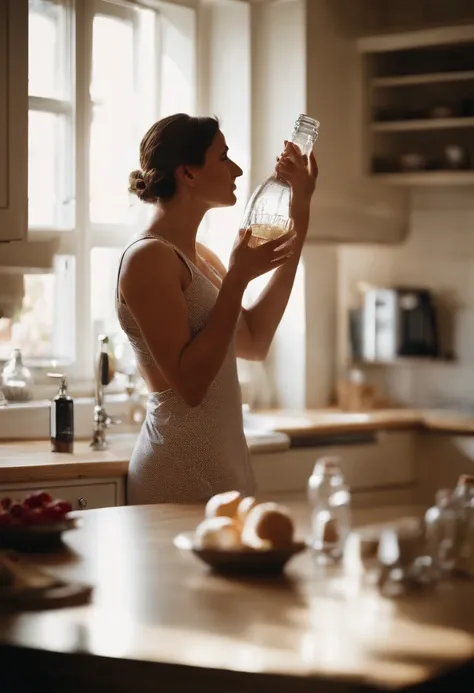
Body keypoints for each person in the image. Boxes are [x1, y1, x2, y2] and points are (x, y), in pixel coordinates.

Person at [117, 113, 318, 504]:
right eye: (224, 157)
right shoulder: (148, 258)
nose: (237, 169)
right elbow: (191, 386)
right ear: (187, 173)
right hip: (175, 478)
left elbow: (254, 342)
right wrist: (238, 279)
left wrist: (302, 211)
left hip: (225, 477)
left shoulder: (202, 257)